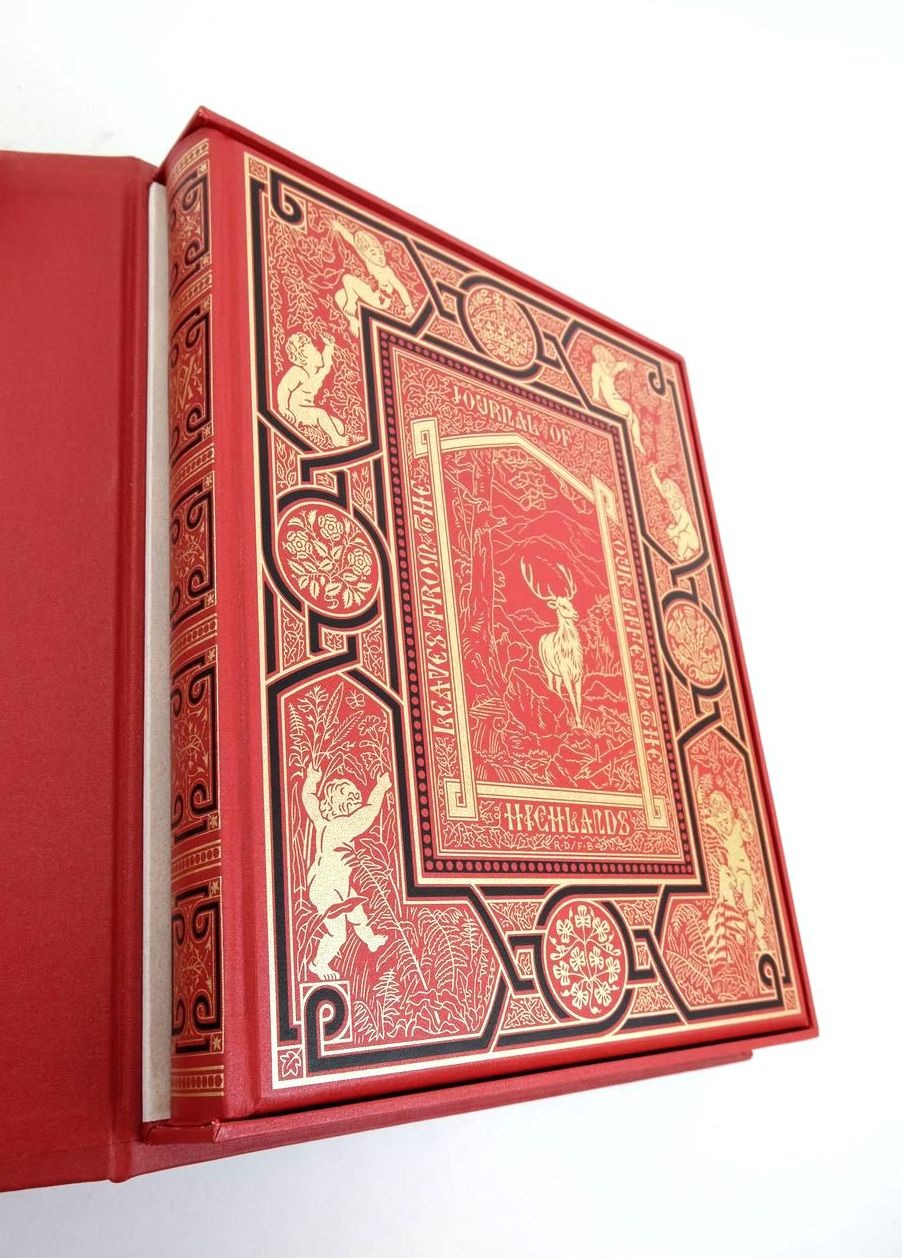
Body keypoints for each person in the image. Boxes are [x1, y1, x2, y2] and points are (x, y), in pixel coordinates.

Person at [303, 763, 391, 980]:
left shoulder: (323, 822)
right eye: (353, 799)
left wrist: (312, 780)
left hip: (337, 884)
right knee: (338, 934)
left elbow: (310, 800)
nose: (357, 803)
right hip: (326, 889)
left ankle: (370, 939)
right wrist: (380, 787)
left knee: (358, 914)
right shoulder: (340, 827)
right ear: (344, 805)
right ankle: (318, 964)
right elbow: (368, 813)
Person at [332, 218, 414, 336]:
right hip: (372, 294)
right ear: (366, 253)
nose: (379, 256)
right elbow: (352, 240)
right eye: (374, 253)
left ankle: (351, 303)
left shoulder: (387, 271)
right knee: (339, 296)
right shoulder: (368, 260)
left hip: (381, 300)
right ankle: (353, 320)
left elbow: (400, 288)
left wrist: (408, 306)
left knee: (347, 279)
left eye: (381, 253)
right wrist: (340, 227)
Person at [276, 332, 350, 448]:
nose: (318, 353)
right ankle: (336, 440)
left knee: (339, 426)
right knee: (321, 414)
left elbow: (327, 364)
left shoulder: (317, 375)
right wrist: (284, 408)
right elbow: (284, 387)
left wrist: (329, 346)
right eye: (314, 351)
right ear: (303, 357)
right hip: (296, 410)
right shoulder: (298, 372)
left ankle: (324, 438)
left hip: (309, 409)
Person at [590, 344, 646, 454]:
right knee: (628, 409)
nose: (597, 354)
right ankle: (627, 436)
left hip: (616, 396)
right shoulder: (596, 366)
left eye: (599, 351)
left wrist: (628, 366)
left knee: (635, 419)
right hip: (610, 399)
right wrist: (595, 395)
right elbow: (594, 381)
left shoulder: (612, 366)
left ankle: (637, 441)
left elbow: (622, 365)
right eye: (595, 353)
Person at [650, 463, 700, 560]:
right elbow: (659, 486)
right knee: (671, 528)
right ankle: (687, 553)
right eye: (669, 499)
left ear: (677, 497)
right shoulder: (672, 504)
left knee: (681, 534)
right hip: (685, 539)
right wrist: (653, 473)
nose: (671, 502)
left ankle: (680, 555)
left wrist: (673, 532)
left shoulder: (683, 511)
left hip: (693, 541)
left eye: (673, 499)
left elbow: (681, 526)